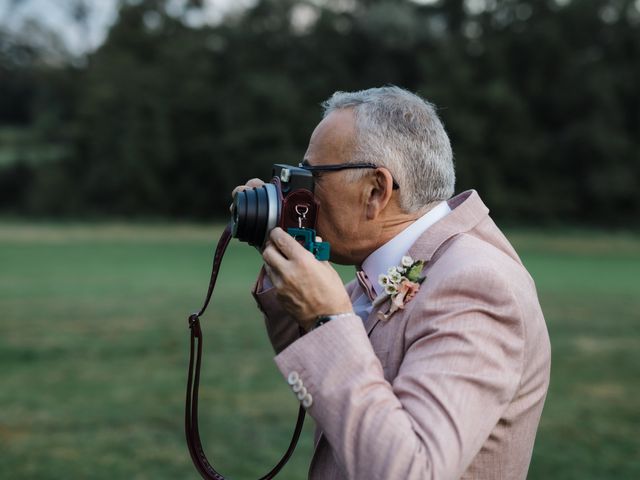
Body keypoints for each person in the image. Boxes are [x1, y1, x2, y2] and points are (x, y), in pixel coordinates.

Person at [233, 86, 551, 479]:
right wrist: (280, 249)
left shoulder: (475, 286)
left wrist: (327, 319)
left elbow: (411, 471)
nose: (301, 193)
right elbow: (323, 368)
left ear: (376, 190)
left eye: (312, 177)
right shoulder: (398, 267)